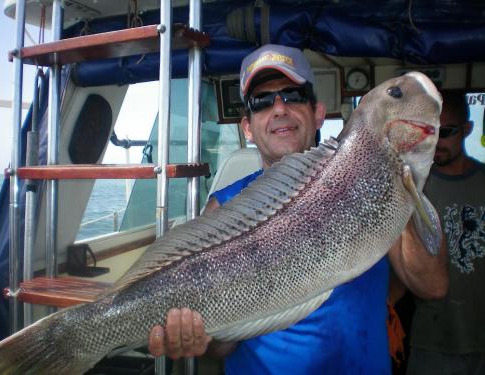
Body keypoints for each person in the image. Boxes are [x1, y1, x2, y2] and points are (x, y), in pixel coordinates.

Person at [148, 44, 448, 373]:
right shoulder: (224, 205)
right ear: (247, 127)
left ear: (318, 112)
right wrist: (198, 337)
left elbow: (433, 286)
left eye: (292, 95)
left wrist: (397, 181)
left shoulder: (369, 191)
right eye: (262, 101)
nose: (279, 108)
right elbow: (223, 346)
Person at [406, 92, 485, 375]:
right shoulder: (413, 189)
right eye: (430, 132)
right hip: (431, 341)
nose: (436, 142)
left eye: (446, 132)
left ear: (467, 130)